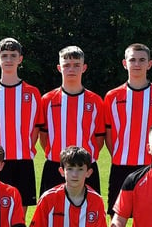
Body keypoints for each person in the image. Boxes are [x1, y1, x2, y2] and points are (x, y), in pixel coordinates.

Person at [104, 43, 152, 217]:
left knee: (151, 213)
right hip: (121, 165)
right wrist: (120, 153)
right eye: (132, 60)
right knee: (117, 214)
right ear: (124, 63)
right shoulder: (112, 96)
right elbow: (108, 134)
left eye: (142, 60)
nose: (137, 64)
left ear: (149, 64)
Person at [0, 38, 43, 212]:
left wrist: (27, 147)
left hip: (23, 159)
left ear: (20, 59)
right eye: (4, 55)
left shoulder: (32, 93)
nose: (8, 60)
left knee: (20, 209)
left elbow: (37, 127)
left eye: (13, 55)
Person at [39, 46, 105, 195]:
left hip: (86, 167)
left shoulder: (95, 101)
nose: (71, 69)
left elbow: (99, 137)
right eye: (67, 65)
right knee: (52, 213)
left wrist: (84, 158)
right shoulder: (47, 100)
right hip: (55, 165)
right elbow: (43, 136)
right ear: (59, 67)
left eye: (76, 65)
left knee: (88, 213)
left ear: (84, 68)